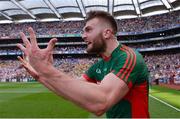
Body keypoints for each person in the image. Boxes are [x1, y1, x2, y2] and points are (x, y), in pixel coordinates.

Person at [17, 10, 149, 118]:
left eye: (88, 30)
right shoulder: (98, 66)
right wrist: (41, 75)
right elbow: (71, 91)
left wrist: (45, 69)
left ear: (107, 33)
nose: (83, 36)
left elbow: (101, 103)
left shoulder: (128, 57)